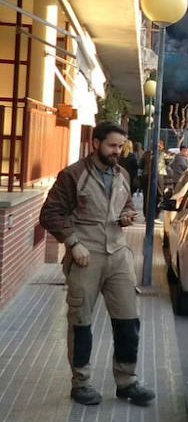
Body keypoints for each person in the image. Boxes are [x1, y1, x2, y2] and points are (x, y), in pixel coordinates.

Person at [39, 123, 155, 407]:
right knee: (81, 322)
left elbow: (127, 203)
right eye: (112, 146)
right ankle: (81, 383)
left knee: (129, 321)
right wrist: (71, 242)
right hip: (85, 255)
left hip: (118, 255)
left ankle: (127, 381)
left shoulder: (122, 174)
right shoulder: (73, 175)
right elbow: (50, 213)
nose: (117, 152)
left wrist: (127, 214)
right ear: (96, 144)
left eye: (121, 147)